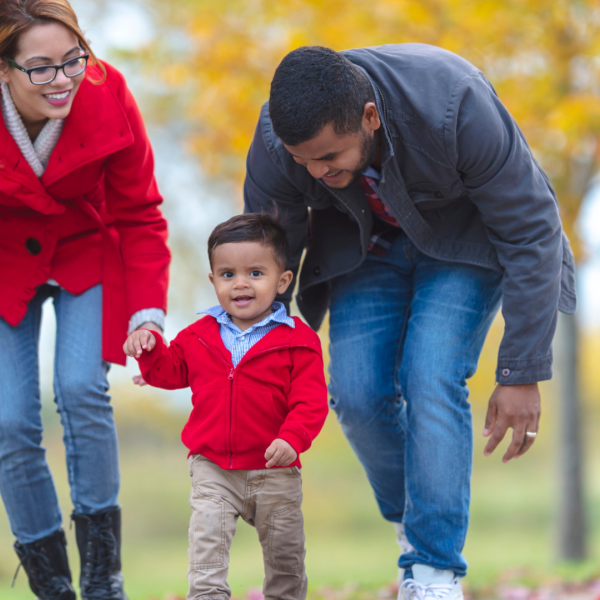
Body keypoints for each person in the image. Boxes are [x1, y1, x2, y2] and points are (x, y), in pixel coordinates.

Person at [243, 44, 577, 600]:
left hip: (462, 246)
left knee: (431, 374)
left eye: (328, 157)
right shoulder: (282, 140)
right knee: (355, 392)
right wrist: (260, 348)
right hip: (362, 248)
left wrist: (521, 370)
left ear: (369, 117)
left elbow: (532, 230)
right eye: (303, 161)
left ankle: (433, 572)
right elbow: (266, 247)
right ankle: (419, 526)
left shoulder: (455, 103)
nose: (316, 172)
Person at [0, 0, 170, 598]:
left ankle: (104, 580)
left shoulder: (107, 90)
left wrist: (148, 310)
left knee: (79, 387)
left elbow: (141, 213)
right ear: (4, 69)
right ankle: (52, 587)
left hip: (83, 248)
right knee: (9, 419)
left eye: (73, 59)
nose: (63, 79)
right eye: (40, 68)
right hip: (2, 261)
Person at [124, 213, 329, 600]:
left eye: (255, 272)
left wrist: (294, 437)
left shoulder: (298, 341)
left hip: (276, 471)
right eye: (227, 274)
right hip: (213, 468)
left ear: (282, 281)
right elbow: (170, 373)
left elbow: (310, 401)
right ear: (214, 280)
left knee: (286, 562)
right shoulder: (198, 335)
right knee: (206, 556)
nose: (240, 284)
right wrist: (150, 348)